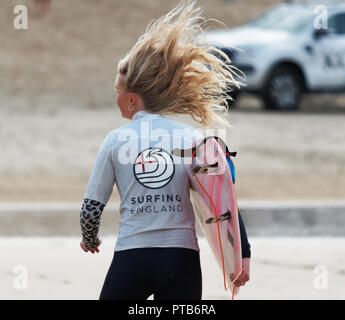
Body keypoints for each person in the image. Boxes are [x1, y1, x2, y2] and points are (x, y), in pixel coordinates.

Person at [79, 0, 250, 300]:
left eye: (117, 92)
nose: (115, 97)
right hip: (180, 259)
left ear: (132, 100)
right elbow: (223, 200)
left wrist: (89, 237)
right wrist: (241, 255)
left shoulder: (116, 141)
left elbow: (92, 208)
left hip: (133, 258)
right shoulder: (191, 138)